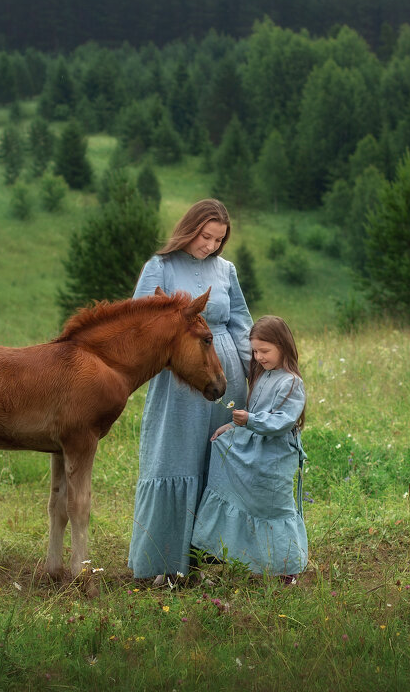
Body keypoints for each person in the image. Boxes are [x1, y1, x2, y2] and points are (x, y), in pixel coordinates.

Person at [128, 199, 253, 586]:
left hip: (224, 373)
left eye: (219, 239)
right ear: (190, 229)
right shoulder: (160, 267)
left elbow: (240, 326)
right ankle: (161, 564)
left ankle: (209, 563)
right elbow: (140, 323)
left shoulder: (227, 270)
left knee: (219, 464)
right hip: (179, 380)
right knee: (172, 461)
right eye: (205, 236)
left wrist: (254, 378)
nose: (211, 246)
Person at [191, 315, 308, 583]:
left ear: (283, 346)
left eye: (264, 351)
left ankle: (286, 569)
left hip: (275, 457)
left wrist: (250, 420)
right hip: (256, 452)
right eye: (255, 351)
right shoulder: (263, 376)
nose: (258, 357)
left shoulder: (291, 382)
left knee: (273, 507)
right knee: (249, 500)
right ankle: (250, 559)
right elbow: (254, 415)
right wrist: (231, 429)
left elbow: (281, 421)